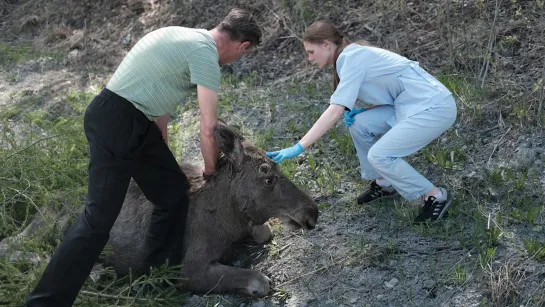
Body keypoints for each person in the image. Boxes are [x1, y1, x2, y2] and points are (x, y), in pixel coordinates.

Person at [26, 8, 261, 307]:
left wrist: (159, 139)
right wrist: (211, 168)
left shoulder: (182, 35)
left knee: (173, 191)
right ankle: (44, 302)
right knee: (97, 222)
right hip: (117, 120)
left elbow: (156, 88)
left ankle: (157, 274)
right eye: (242, 55)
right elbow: (208, 128)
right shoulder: (205, 54)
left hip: (135, 121)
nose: (237, 59)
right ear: (243, 46)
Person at [266, 20, 457, 224]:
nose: (309, 58)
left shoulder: (352, 57)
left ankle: (435, 196)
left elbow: (335, 111)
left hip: (434, 106)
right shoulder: (349, 57)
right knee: (359, 122)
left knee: (381, 155)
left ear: (326, 45)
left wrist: (299, 146)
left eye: (311, 52)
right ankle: (384, 183)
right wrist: (365, 111)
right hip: (410, 104)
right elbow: (393, 91)